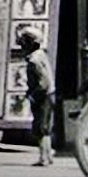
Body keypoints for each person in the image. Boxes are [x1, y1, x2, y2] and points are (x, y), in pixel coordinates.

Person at [20, 27, 56, 166]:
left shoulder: (33, 61)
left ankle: (43, 158)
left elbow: (43, 83)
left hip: (43, 97)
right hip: (49, 95)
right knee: (45, 128)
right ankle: (48, 155)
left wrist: (33, 96)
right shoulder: (41, 55)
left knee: (40, 128)